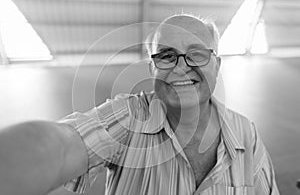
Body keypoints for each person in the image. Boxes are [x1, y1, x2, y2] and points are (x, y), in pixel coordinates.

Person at [0, 14, 279, 195]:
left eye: (197, 54)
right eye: (167, 56)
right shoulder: (128, 118)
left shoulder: (246, 134)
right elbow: (62, 145)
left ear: (217, 64)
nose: (181, 67)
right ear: (152, 68)